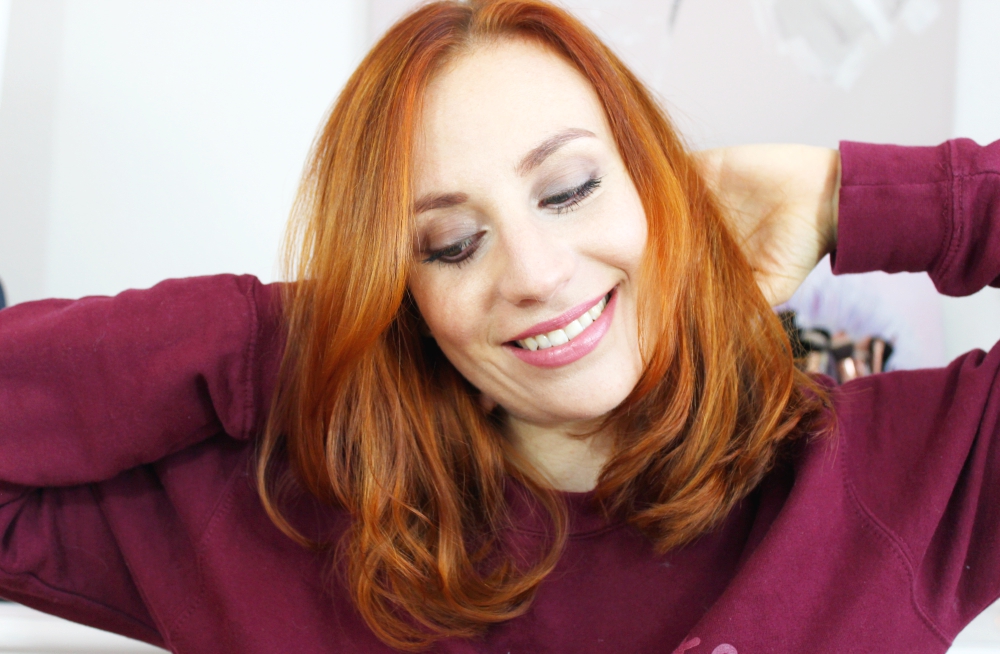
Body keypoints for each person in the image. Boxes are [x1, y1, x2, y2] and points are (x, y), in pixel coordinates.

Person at [1, 0, 998, 652]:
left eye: (568, 189)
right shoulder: (262, 521)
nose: (534, 273)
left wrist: (842, 196)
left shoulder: (895, 476)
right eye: (449, 245)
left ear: (653, 185)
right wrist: (304, 334)